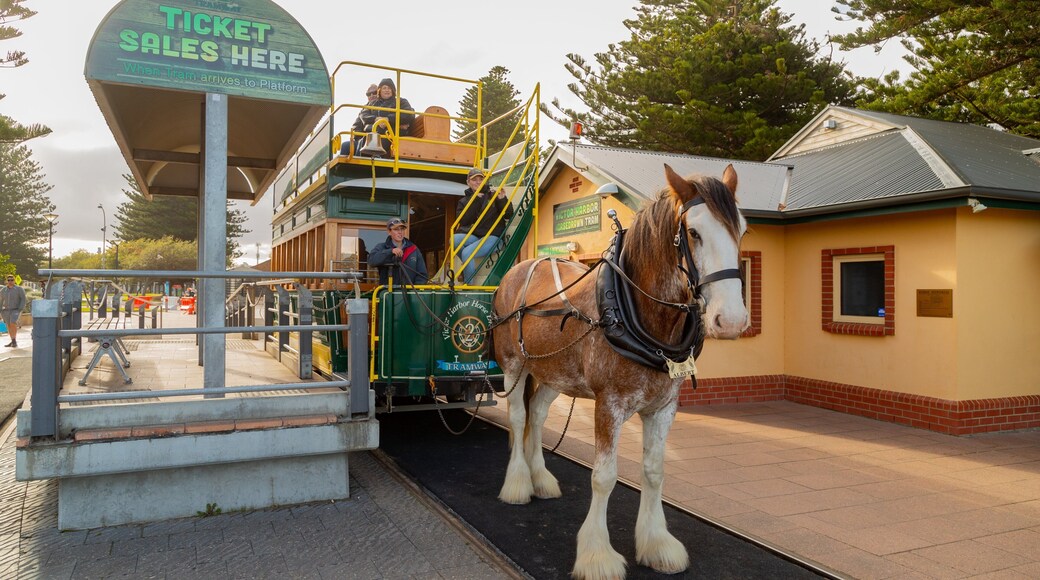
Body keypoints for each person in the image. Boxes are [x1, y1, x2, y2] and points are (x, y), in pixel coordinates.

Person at [454, 168, 513, 283]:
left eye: (481, 179)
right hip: (477, 237)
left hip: (494, 237)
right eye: (474, 179)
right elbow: (464, 221)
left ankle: (469, 288)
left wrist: (502, 199)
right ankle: (467, 266)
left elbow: (509, 215)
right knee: (454, 239)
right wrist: (475, 200)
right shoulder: (464, 201)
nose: (478, 182)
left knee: (467, 252)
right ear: (468, 182)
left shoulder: (494, 194)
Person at [368, 217, 428, 286]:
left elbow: (422, 275)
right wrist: (390, 252)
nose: (400, 232)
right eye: (396, 229)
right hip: (388, 293)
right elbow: (371, 261)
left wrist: (414, 292)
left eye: (402, 229)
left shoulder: (414, 249)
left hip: (409, 294)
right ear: (389, 232)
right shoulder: (382, 247)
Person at [349, 84, 380, 153]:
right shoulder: (365, 108)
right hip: (364, 138)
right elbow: (357, 126)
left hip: (378, 139)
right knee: (346, 146)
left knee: (361, 146)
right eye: (368, 94)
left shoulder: (383, 105)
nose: (371, 95)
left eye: (374, 93)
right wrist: (358, 138)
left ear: (379, 92)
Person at [1, 275, 27, 348]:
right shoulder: (3, 290)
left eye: (12, 280)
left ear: (14, 280)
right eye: (8, 280)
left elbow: (23, 299)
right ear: (6, 281)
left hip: (15, 309)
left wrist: (20, 308)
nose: (10, 281)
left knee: (13, 323)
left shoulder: (19, 289)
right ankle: (12, 340)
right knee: (8, 325)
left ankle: (14, 341)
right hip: (5, 310)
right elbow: (1, 300)